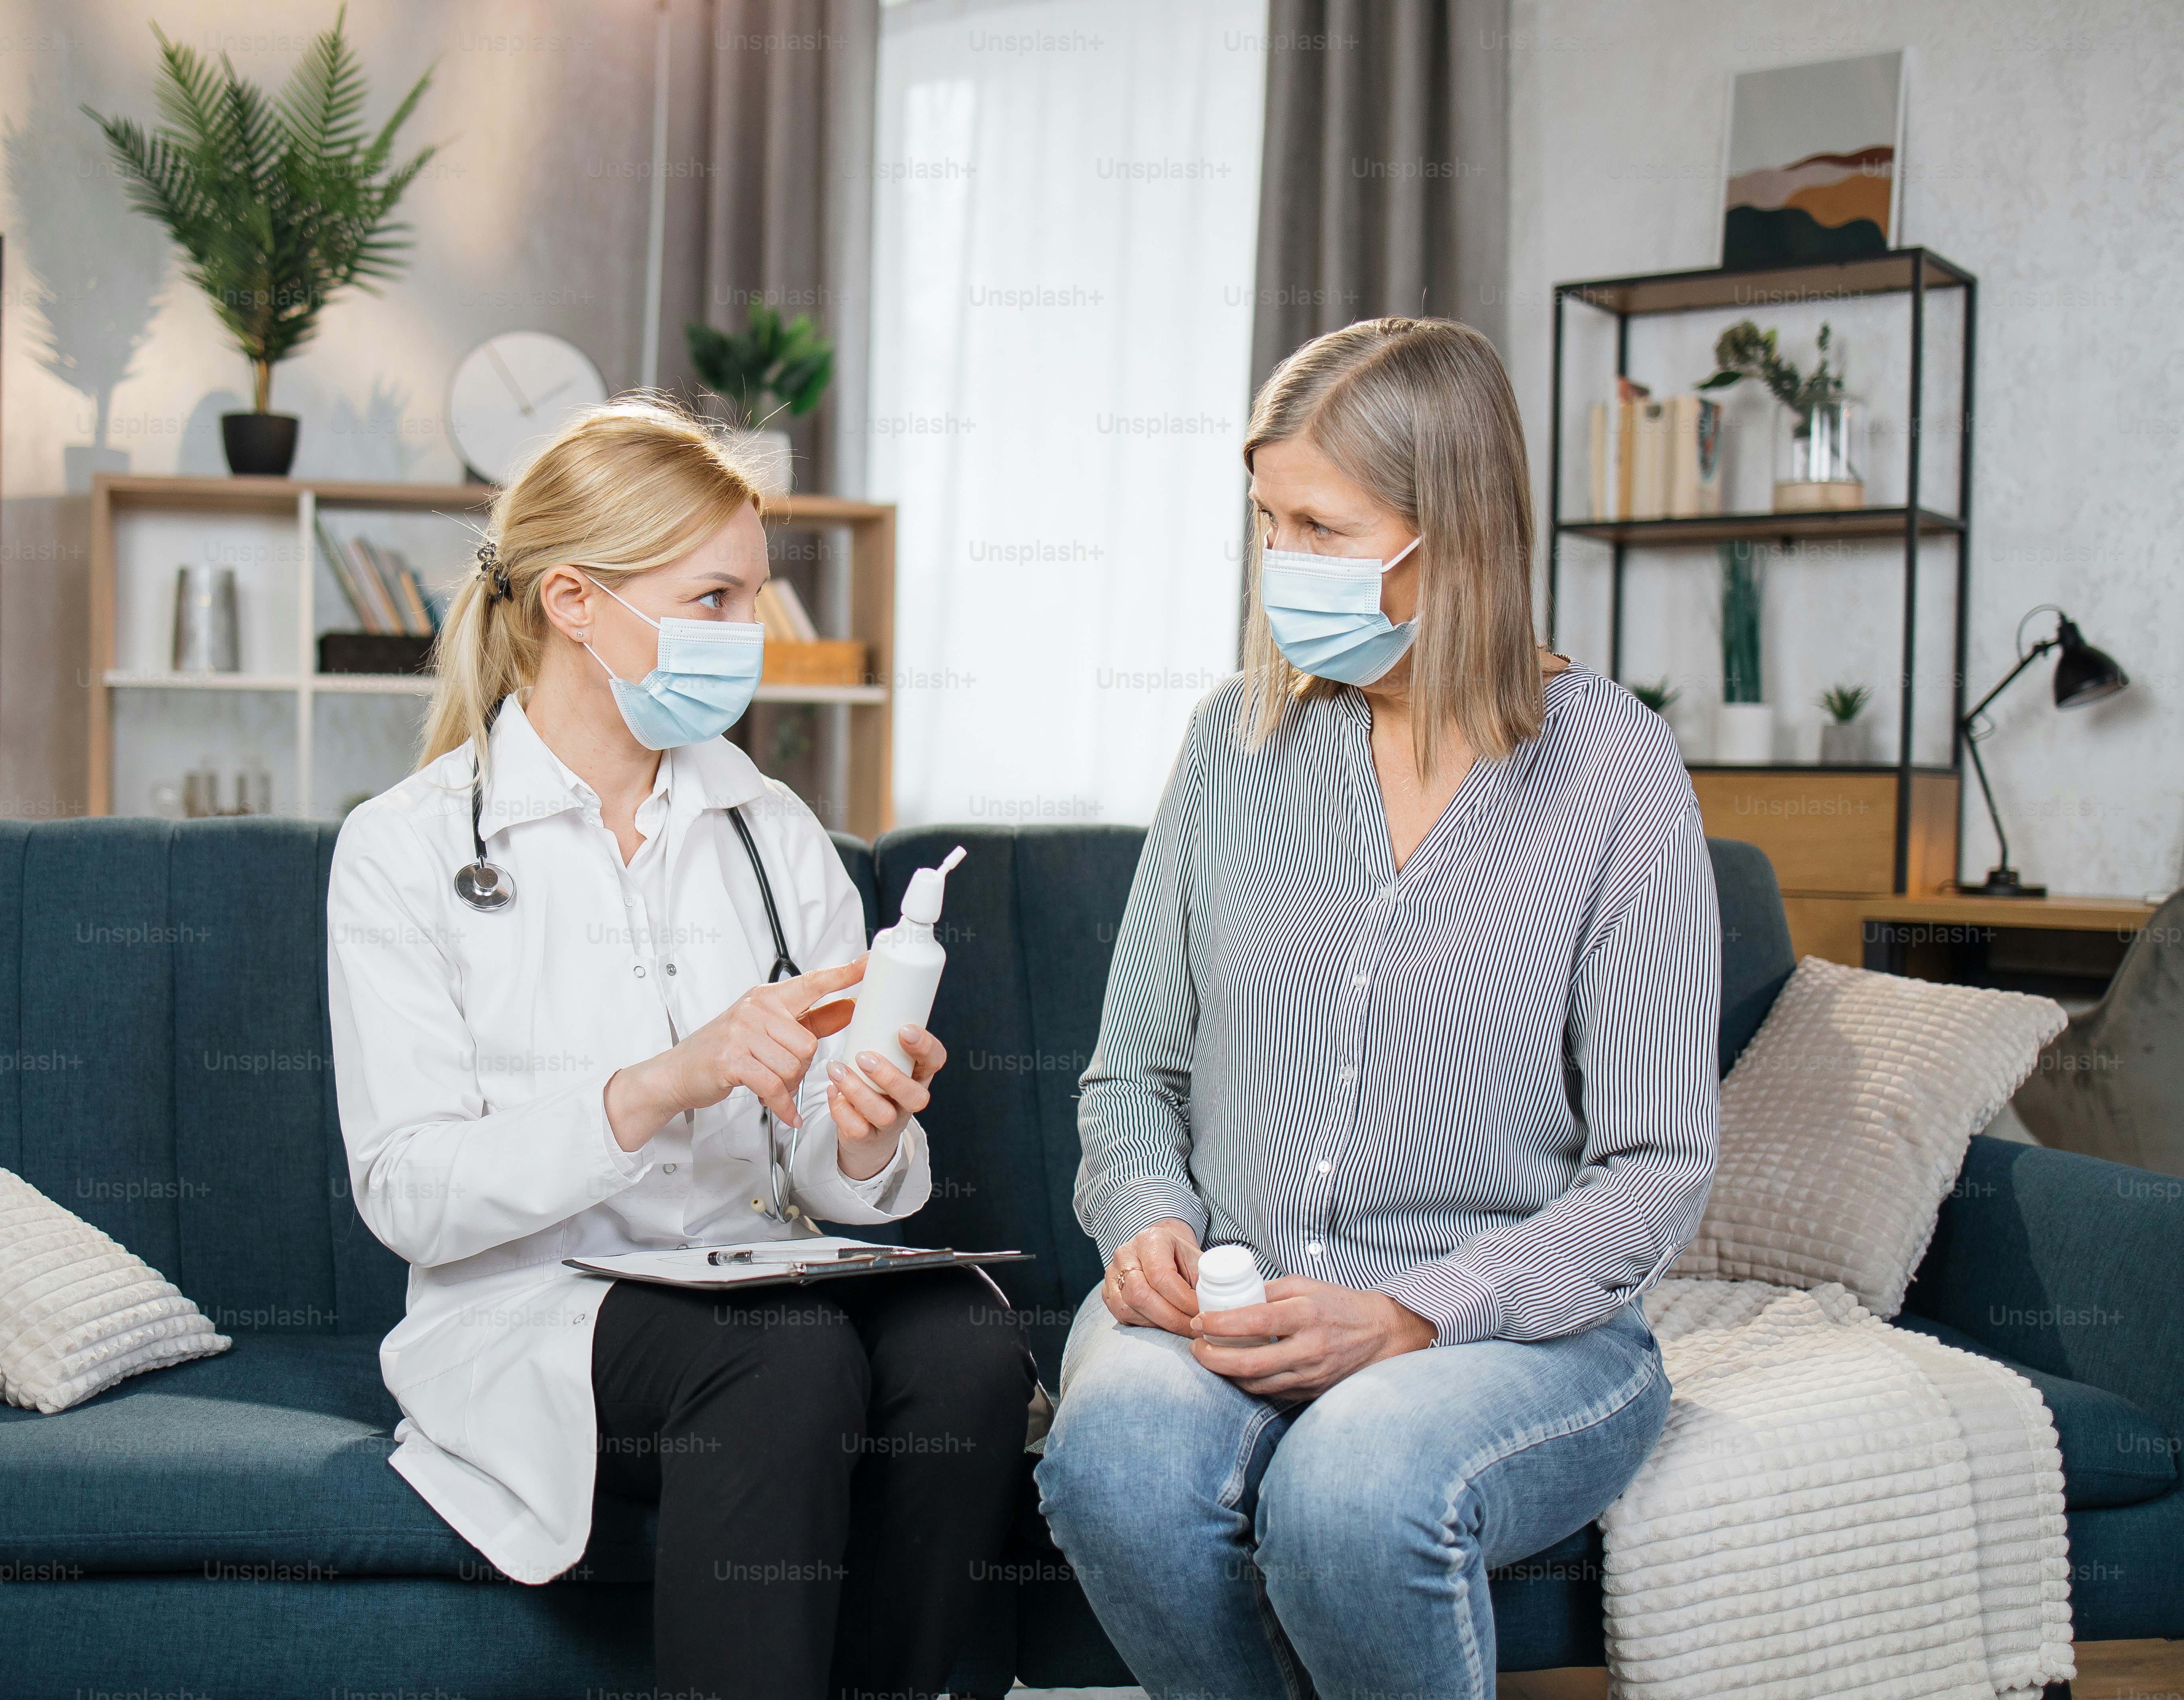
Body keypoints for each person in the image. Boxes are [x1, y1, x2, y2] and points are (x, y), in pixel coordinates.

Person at [1033, 318, 1720, 1699]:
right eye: (1267, 521)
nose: (1281, 562)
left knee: (1350, 1492)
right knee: (1112, 1463)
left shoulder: (1618, 773)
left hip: (1514, 1334)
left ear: (1452, 529)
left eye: (1324, 527)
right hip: (1226, 1305)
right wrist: (1148, 1218)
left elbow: (1653, 1170)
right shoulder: (1235, 743)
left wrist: (1412, 1311)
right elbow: (1132, 1080)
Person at [326, 398, 1035, 1700]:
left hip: (754, 1284)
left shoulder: (773, 833)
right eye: (711, 596)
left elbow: (824, 1171)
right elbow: (410, 1194)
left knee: (967, 1342)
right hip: (532, 1311)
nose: (745, 635)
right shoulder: (409, 847)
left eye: (755, 596)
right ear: (574, 600)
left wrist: (865, 1131)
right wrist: (666, 1080)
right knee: (786, 1349)